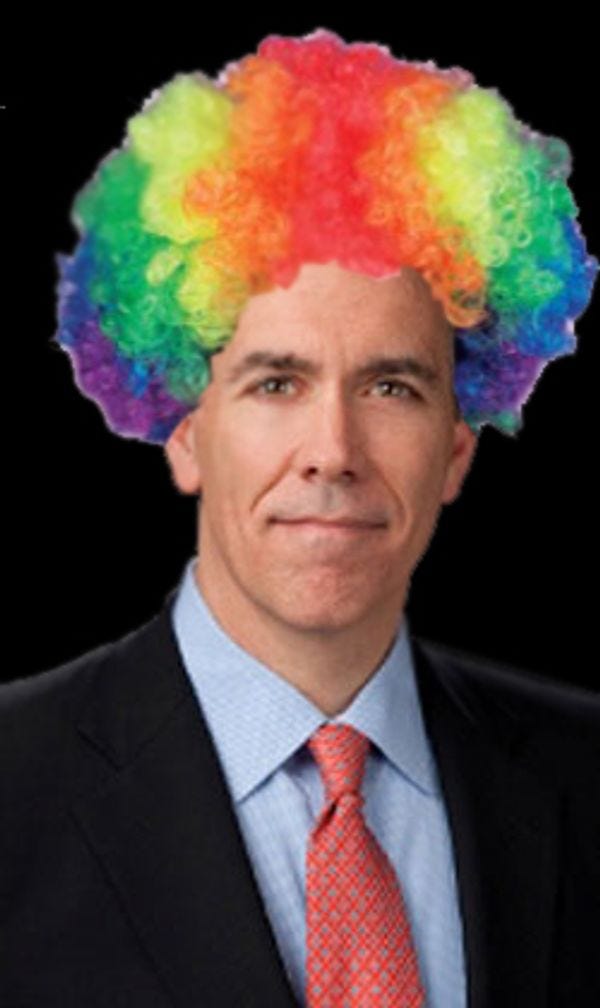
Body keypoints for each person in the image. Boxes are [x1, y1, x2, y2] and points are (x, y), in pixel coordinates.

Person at [2, 28, 599, 1008]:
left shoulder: (584, 771)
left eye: (392, 387)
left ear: (457, 447)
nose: (333, 449)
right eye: (277, 382)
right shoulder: (11, 785)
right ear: (185, 431)